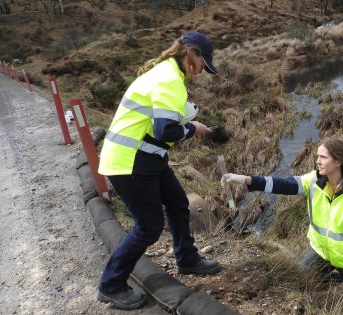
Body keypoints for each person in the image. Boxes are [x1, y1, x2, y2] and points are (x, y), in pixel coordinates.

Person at [96, 31, 221, 310]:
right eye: (203, 65)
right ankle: (111, 284)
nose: (202, 72)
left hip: (146, 158)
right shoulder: (169, 80)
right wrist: (192, 128)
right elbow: (166, 129)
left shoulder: (166, 72)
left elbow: (156, 126)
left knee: (177, 202)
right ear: (192, 54)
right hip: (130, 163)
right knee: (149, 226)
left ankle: (187, 258)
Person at [222, 137, 343, 313]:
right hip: (322, 252)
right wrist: (246, 179)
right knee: (299, 277)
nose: (317, 161)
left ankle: (342, 277)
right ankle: (334, 278)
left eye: (323, 157)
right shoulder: (314, 180)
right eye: (317, 156)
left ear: (338, 161)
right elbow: (283, 185)